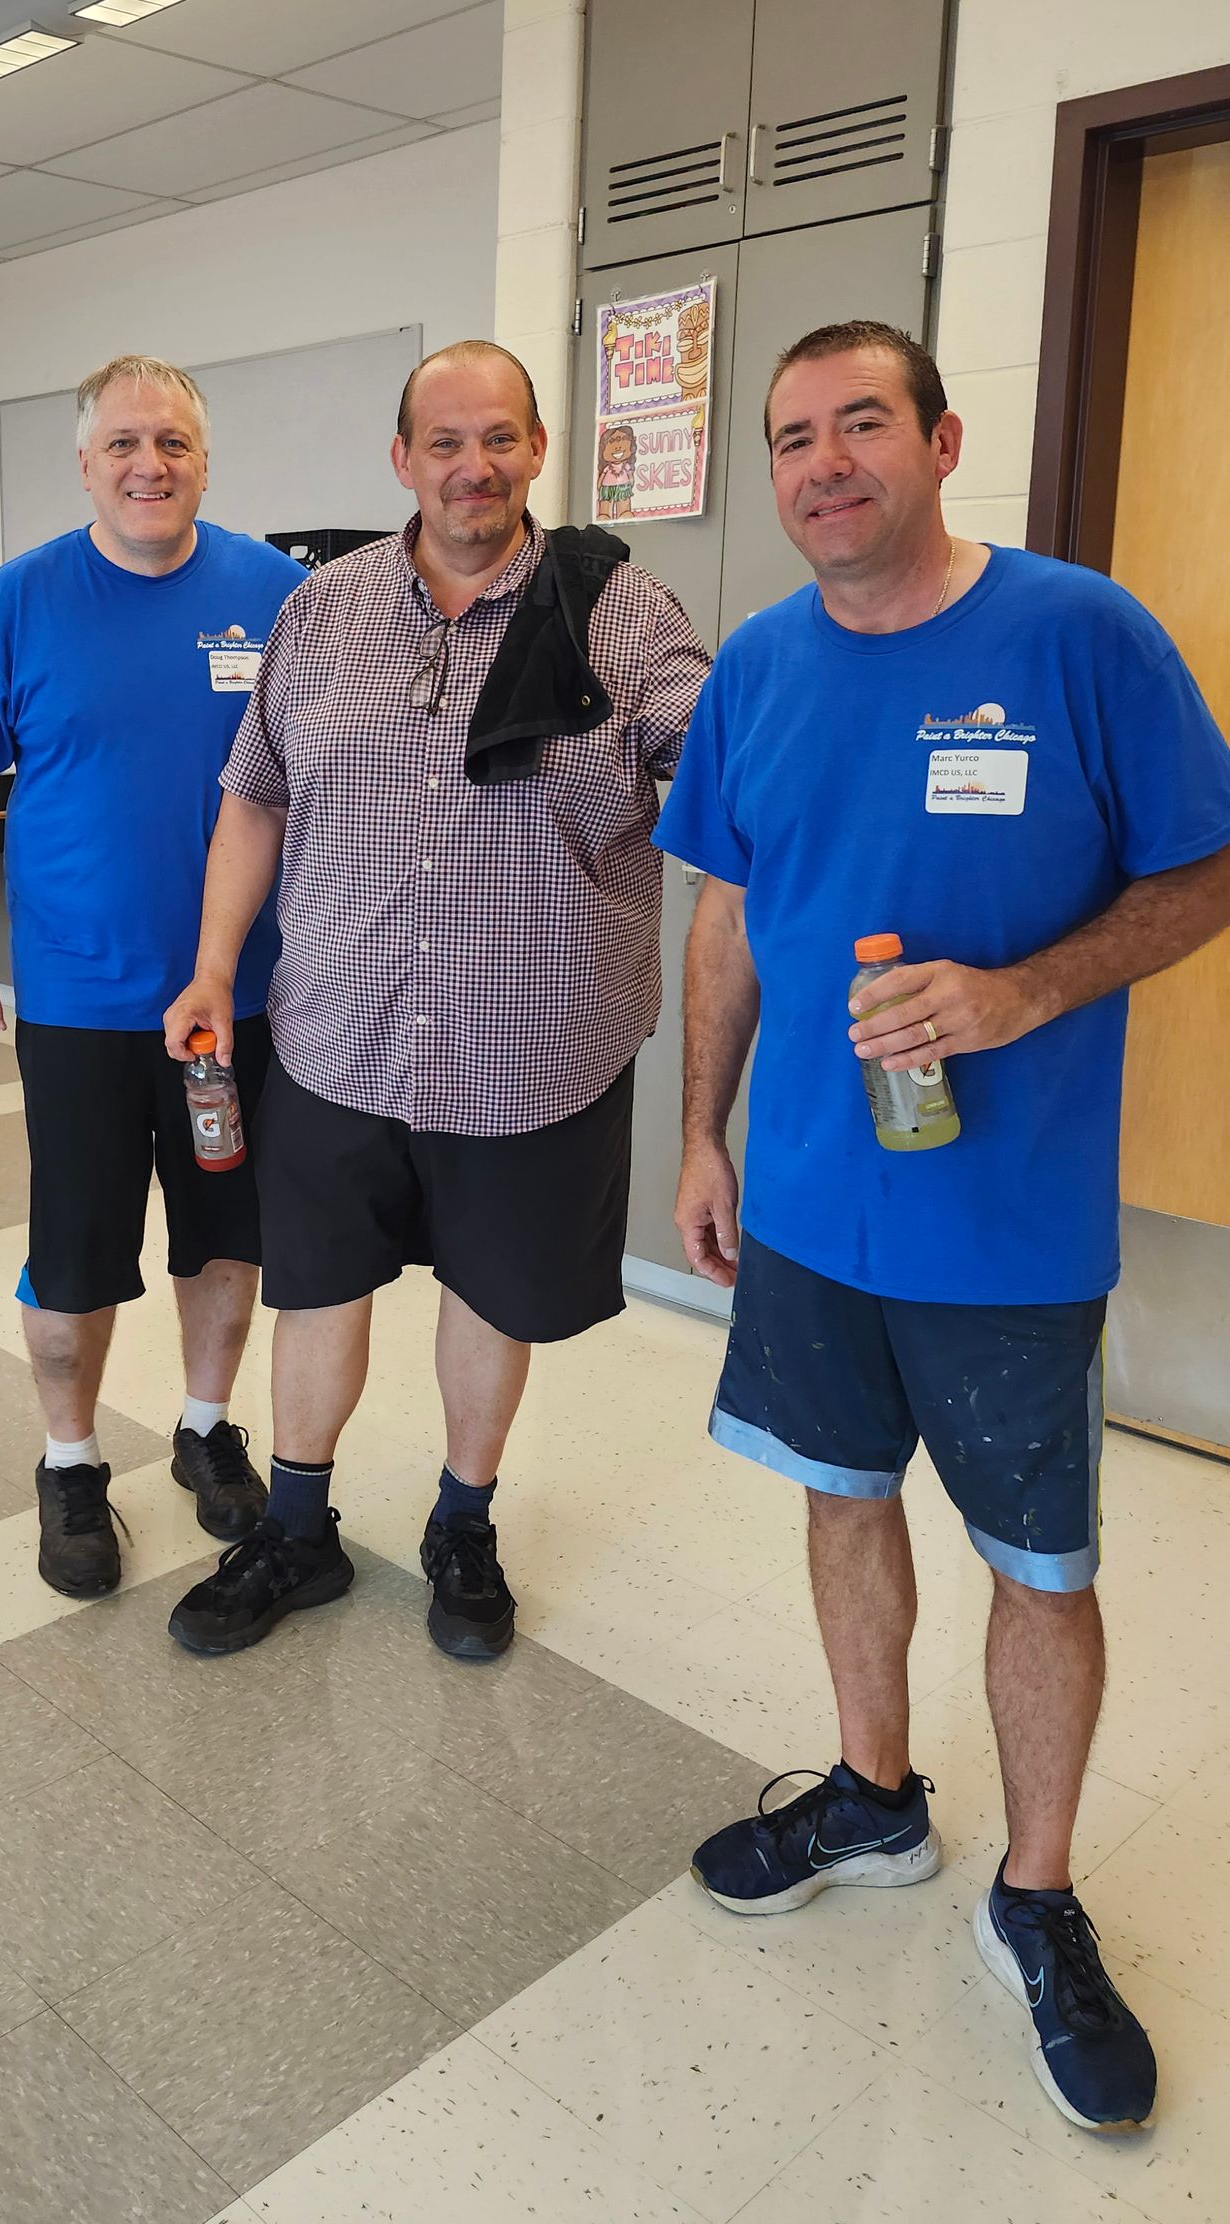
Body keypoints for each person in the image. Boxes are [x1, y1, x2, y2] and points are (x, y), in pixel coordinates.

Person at [658, 319, 1230, 2135]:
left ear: (940, 438)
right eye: (792, 438)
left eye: (861, 425)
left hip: (1008, 1224)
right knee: (841, 1502)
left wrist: (1026, 996)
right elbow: (733, 914)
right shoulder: (756, 663)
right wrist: (702, 1134)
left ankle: (1041, 1895)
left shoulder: (1077, 634)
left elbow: (1205, 866)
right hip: (818, 1205)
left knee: (1041, 1567)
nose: (824, 463)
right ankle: (878, 1799)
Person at [161, 340, 710, 1661]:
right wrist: (216, 965)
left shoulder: (618, 609)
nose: (476, 466)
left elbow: (717, 769)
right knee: (319, 1290)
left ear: (537, 451)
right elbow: (257, 794)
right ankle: (296, 1531)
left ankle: (463, 1523)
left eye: (501, 439)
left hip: (534, 1047)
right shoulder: (323, 610)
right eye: (446, 443)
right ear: (403, 461)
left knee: (493, 1295)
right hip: (338, 1035)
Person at [0, 355, 305, 1598]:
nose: (152, 465)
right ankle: (71, 1461)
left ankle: (204, 1426)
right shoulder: (23, 600)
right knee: (78, 1248)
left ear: (204, 458)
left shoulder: (276, 594)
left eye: (176, 444)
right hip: (82, 999)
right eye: (126, 444)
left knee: (226, 1237)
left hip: (241, 1000)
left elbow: (326, 780)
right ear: (85, 462)